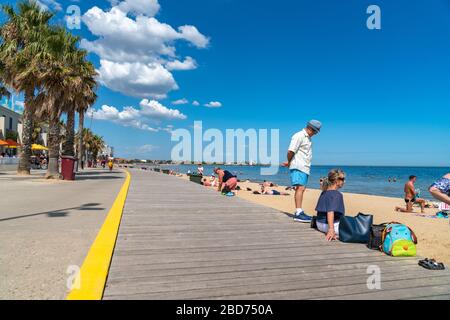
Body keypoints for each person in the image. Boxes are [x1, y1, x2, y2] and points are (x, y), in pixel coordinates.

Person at [282, 119, 322, 223]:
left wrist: (289, 162)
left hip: (304, 167)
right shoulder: (299, 136)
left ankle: (299, 211)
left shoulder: (308, 138)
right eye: (315, 132)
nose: (315, 134)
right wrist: (290, 162)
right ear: (311, 128)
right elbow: (291, 151)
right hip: (299, 166)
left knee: (302, 188)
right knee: (300, 188)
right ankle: (298, 212)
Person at [315, 169, 346, 241]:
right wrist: (331, 229)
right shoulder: (337, 194)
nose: (344, 181)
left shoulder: (324, 192)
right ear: (336, 181)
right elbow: (330, 211)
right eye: (343, 179)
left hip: (319, 224)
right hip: (330, 226)